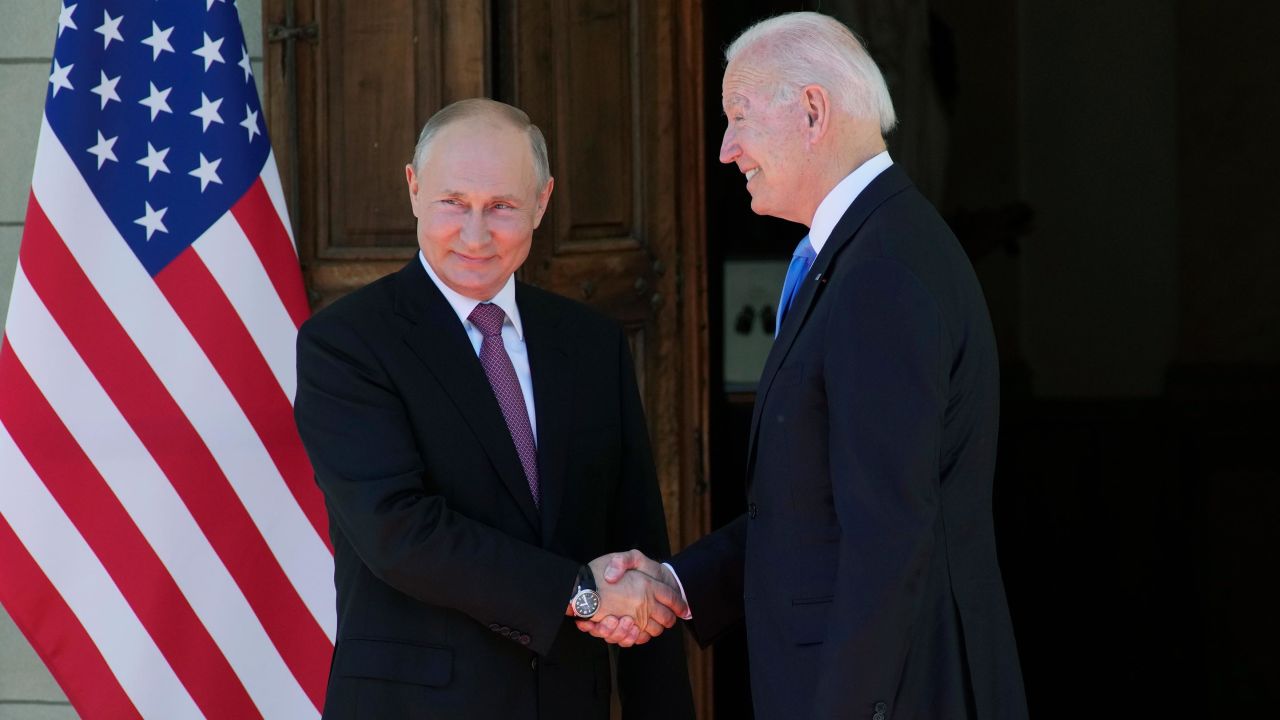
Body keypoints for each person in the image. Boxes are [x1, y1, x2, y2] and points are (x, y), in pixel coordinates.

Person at [583, 12, 1028, 720]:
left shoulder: (882, 270)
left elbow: (886, 535)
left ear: (813, 111)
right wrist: (677, 582)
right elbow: (814, 503)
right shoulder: (862, 250)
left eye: (739, 117)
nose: (726, 149)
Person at [294, 98, 695, 720]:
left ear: (542, 202)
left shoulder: (591, 342)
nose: (476, 234)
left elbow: (636, 538)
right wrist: (579, 595)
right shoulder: (347, 344)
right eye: (454, 202)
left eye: (502, 207)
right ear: (413, 188)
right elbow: (400, 532)